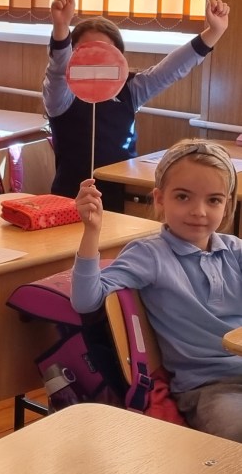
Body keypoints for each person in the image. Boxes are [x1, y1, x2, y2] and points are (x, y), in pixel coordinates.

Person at [71, 139, 242, 443]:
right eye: (183, 197)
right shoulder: (149, 254)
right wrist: (92, 231)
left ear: (227, 204)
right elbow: (86, 301)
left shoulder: (235, 251)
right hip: (209, 387)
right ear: (160, 199)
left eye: (214, 200)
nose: (199, 211)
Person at [44, 0, 229, 209]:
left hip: (123, 199)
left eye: (104, 52)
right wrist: (61, 27)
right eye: (86, 51)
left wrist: (214, 32)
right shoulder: (61, 97)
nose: (95, 60)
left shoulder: (131, 90)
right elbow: (57, 71)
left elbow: (169, 70)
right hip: (71, 202)